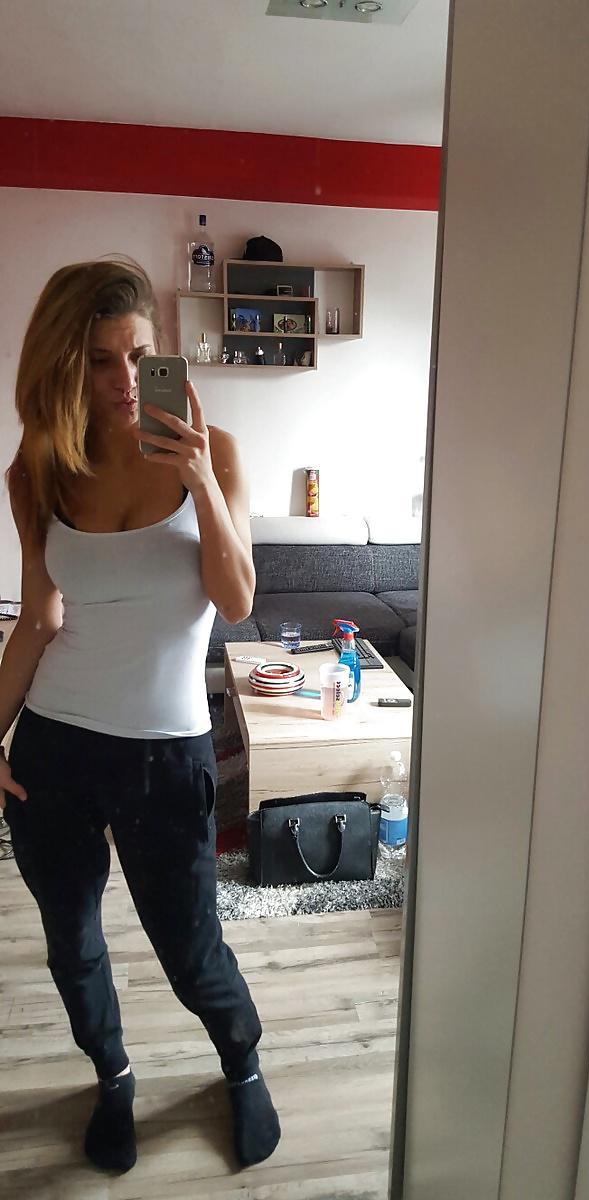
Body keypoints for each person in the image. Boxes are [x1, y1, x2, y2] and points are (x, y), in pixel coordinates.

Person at [0, 258, 280, 1174]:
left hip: (167, 757)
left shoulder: (216, 451)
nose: (125, 380)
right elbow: (39, 619)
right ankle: (111, 1074)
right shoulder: (38, 471)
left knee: (192, 950)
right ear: (61, 364)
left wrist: (199, 479)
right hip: (54, 751)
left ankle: (240, 1063)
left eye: (140, 355)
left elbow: (235, 600)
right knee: (73, 945)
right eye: (98, 360)